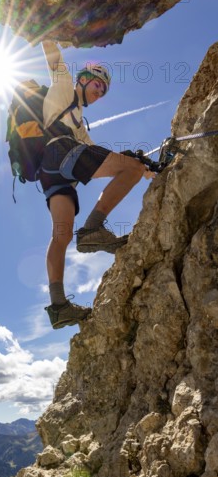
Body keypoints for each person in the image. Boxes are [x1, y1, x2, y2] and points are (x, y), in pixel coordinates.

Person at [40, 41, 155, 330]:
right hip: (60, 151)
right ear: (83, 78)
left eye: (104, 90)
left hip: (53, 172)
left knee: (62, 235)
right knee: (132, 166)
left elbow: (95, 152)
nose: (100, 91)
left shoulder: (79, 121)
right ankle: (92, 229)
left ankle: (59, 306)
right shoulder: (65, 85)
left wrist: (133, 166)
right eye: (98, 83)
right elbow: (51, 54)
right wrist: (51, 32)